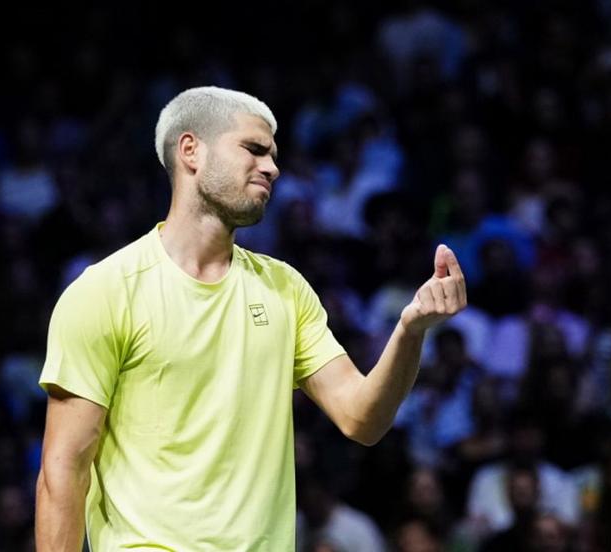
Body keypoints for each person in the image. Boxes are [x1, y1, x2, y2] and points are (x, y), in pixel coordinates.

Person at [34, 86, 467, 551]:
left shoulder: (285, 289)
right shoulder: (105, 291)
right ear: (191, 150)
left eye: (273, 156)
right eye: (254, 149)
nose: (272, 167)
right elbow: (64, 471)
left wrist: (410, 330)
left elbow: (362, 418)